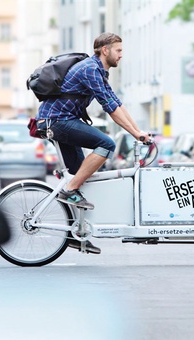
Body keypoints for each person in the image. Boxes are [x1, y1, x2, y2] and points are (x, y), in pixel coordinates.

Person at [36, 32, 151, 254]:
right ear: (105, 50)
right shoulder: (90, 69)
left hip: (61, 121)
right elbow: (110, 109)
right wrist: (135, 134)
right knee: (107, 144)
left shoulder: (99, 70)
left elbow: (117, 103)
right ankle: (69, 189)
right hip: (57, 121)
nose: (121, 55)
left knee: (81, 177)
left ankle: (76, 234)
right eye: (118, 50)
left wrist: (138, 131)